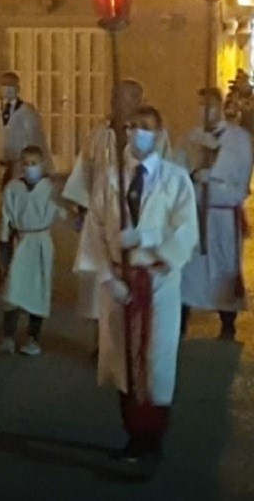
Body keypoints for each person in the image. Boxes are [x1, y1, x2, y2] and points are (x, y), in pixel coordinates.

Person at [79, 106, 198, 467]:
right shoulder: (111, 178)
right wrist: (106, 277)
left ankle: (153, 436)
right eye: (131, 127)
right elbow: (95, 230)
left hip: (157, 281)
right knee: (124, 360)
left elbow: (186, 232)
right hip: (119, 280)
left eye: (145, 128)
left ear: (159, 133)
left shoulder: (176, 180)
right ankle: (132, 434)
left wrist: (145, 237)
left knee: (154, 360)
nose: (137, 134)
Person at [63, 81, 170, 339]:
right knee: (101, 281)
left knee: (134, 280)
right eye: (114, 97)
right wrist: (81, 205)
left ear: (138, 99)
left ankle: (134, 337)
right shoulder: (99, 133)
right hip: (103, 215)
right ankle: (102, 340)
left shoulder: (155, 136)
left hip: (138, 219)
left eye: (125, 98)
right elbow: (85, 167)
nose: (117, 103)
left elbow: (163, 174)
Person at [181, 87, 253, 340]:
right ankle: (182, 319)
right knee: (190, 267)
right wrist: (193, 175)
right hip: (196, 212)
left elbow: (241, 179)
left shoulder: (239, 138)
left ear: (220, 106)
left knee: (224, 264)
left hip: (222, 215)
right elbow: (180, 170)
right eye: (201, 105)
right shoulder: (192, 136)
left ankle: (227, 322)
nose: (205, 111)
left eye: (210, 105)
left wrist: (212, 176)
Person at [0, 146, 63, 356]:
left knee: (38, 291)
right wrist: (4, 247)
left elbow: (64, 210)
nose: (29, 167)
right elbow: (5, 217)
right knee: (13, 290)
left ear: (42, 164)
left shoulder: (50, 189)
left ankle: (33, 337)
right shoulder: (13, 188)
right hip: (21, 241)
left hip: (41, 242)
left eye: (34, 163)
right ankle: (8, 336)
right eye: (25, 163)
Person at [0, 71, 47, 227]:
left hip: (18, 166)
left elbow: (37, 139)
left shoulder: (28, 112)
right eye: (4, 85)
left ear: (18, 88)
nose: (7, 89)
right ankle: (2, 238)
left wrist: (38, 168)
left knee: (17, 205)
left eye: (11, 86)